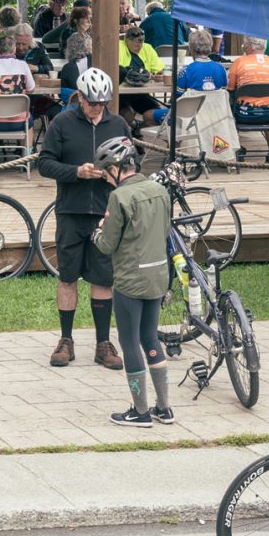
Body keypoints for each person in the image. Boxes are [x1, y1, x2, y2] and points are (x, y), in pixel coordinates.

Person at [35, 69, 131, 369]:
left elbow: (131, 164)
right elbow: (45, 164)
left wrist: (117, 178)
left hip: (104, 213)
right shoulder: (62, 123)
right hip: (71, 211)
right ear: (79, 98)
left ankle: (103, 342)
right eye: (92, 102)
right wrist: (76, 172)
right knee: (67, 276)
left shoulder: (118, 124)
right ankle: (66, 339)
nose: (97, 108)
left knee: (103, 278)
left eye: (103, 103)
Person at [91, 136, 173, 426]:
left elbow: (107, 244)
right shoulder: (160, 190)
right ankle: (164, 408)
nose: (105, 178)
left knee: (129, 343)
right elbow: (165, 231)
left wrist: (97, 231)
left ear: (116, 168)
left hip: (130, 279)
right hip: (157, 275)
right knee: (151, 338)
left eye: (105, 172)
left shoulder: (119, 197)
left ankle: (140, 412)